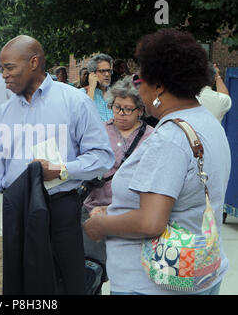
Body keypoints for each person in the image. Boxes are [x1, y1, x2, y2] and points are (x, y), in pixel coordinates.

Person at [84, 29, 231, 295]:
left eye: (140, 78)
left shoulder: (169, 138)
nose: (137, 86)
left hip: (154, 283)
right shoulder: (207, 122)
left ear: (159, 86)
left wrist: (101, 224)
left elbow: (151, 222)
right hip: (202, 271)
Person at [0, 35, 114, 294]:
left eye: (9, 68)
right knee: (21, 285)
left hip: (60, 210)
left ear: (33, 63)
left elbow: (102, 157)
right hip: (17, 212)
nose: (3, 75)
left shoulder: (74, 102)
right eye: (3, 69)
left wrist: (63, 170)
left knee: (64, 284)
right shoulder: (4, 113)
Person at [81, 76, 154, 294]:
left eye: (127, 109)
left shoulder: (152, 137)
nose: (120, 113)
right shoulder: (99, 131)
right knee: (91, 272)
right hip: (93, 211)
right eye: (116, 107)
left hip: (129, 215)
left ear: (140, 110)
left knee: (127, 276)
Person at [81, 54, 114, 121]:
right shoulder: (82, 93)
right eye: (102, 71)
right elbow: (84, 115)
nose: (107, 74)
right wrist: (92, 88)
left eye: (109, 71)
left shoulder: (116, 93)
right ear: (92, 74)